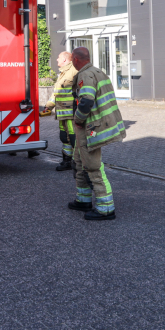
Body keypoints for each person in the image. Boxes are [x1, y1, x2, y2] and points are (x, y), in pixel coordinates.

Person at [67, 46, 126, 221]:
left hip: (90, 129)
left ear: (76, 59)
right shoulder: (98, 72)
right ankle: (83, 200)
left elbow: (86, 101)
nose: (72, 63)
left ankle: (105, 209)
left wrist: (77, 119)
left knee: (92, 167)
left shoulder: (85, 75)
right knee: (79, 162)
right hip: (93, 127)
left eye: (72, 60)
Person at [40, 51, 78, 171]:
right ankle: (66, 161)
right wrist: (49, 106)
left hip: (71, 113)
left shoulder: (75, 71)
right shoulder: (62, 73)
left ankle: (78, 163)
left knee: (74, 138)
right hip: (62, 113)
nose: (56, 60)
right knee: (64, 137)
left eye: (58, 57)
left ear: (65, 60)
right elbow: (56, 93)